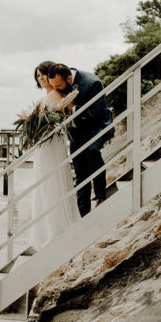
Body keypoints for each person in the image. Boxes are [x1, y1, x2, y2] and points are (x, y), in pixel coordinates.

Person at [48, 63, 113, 217]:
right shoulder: (60, 84)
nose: (56, 89)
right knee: (79, 166)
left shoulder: (92, 82)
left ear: (69, 78)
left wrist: (73, 109)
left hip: (97, 125)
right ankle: (82, 211)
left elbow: (99, 112)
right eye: (54, 86)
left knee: (92, 151)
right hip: (77, 130)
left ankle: (101, 195)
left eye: (58, 85)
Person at [29, 61, 81, 250]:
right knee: (43, 183)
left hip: (52, 143)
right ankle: (45, 229)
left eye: (43, 75)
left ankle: (56, 228)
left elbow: (63, 118)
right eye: (38, 76)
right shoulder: (49, 95)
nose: (40, 79)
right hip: (45, 144)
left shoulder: (58, 95)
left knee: (51, 180)